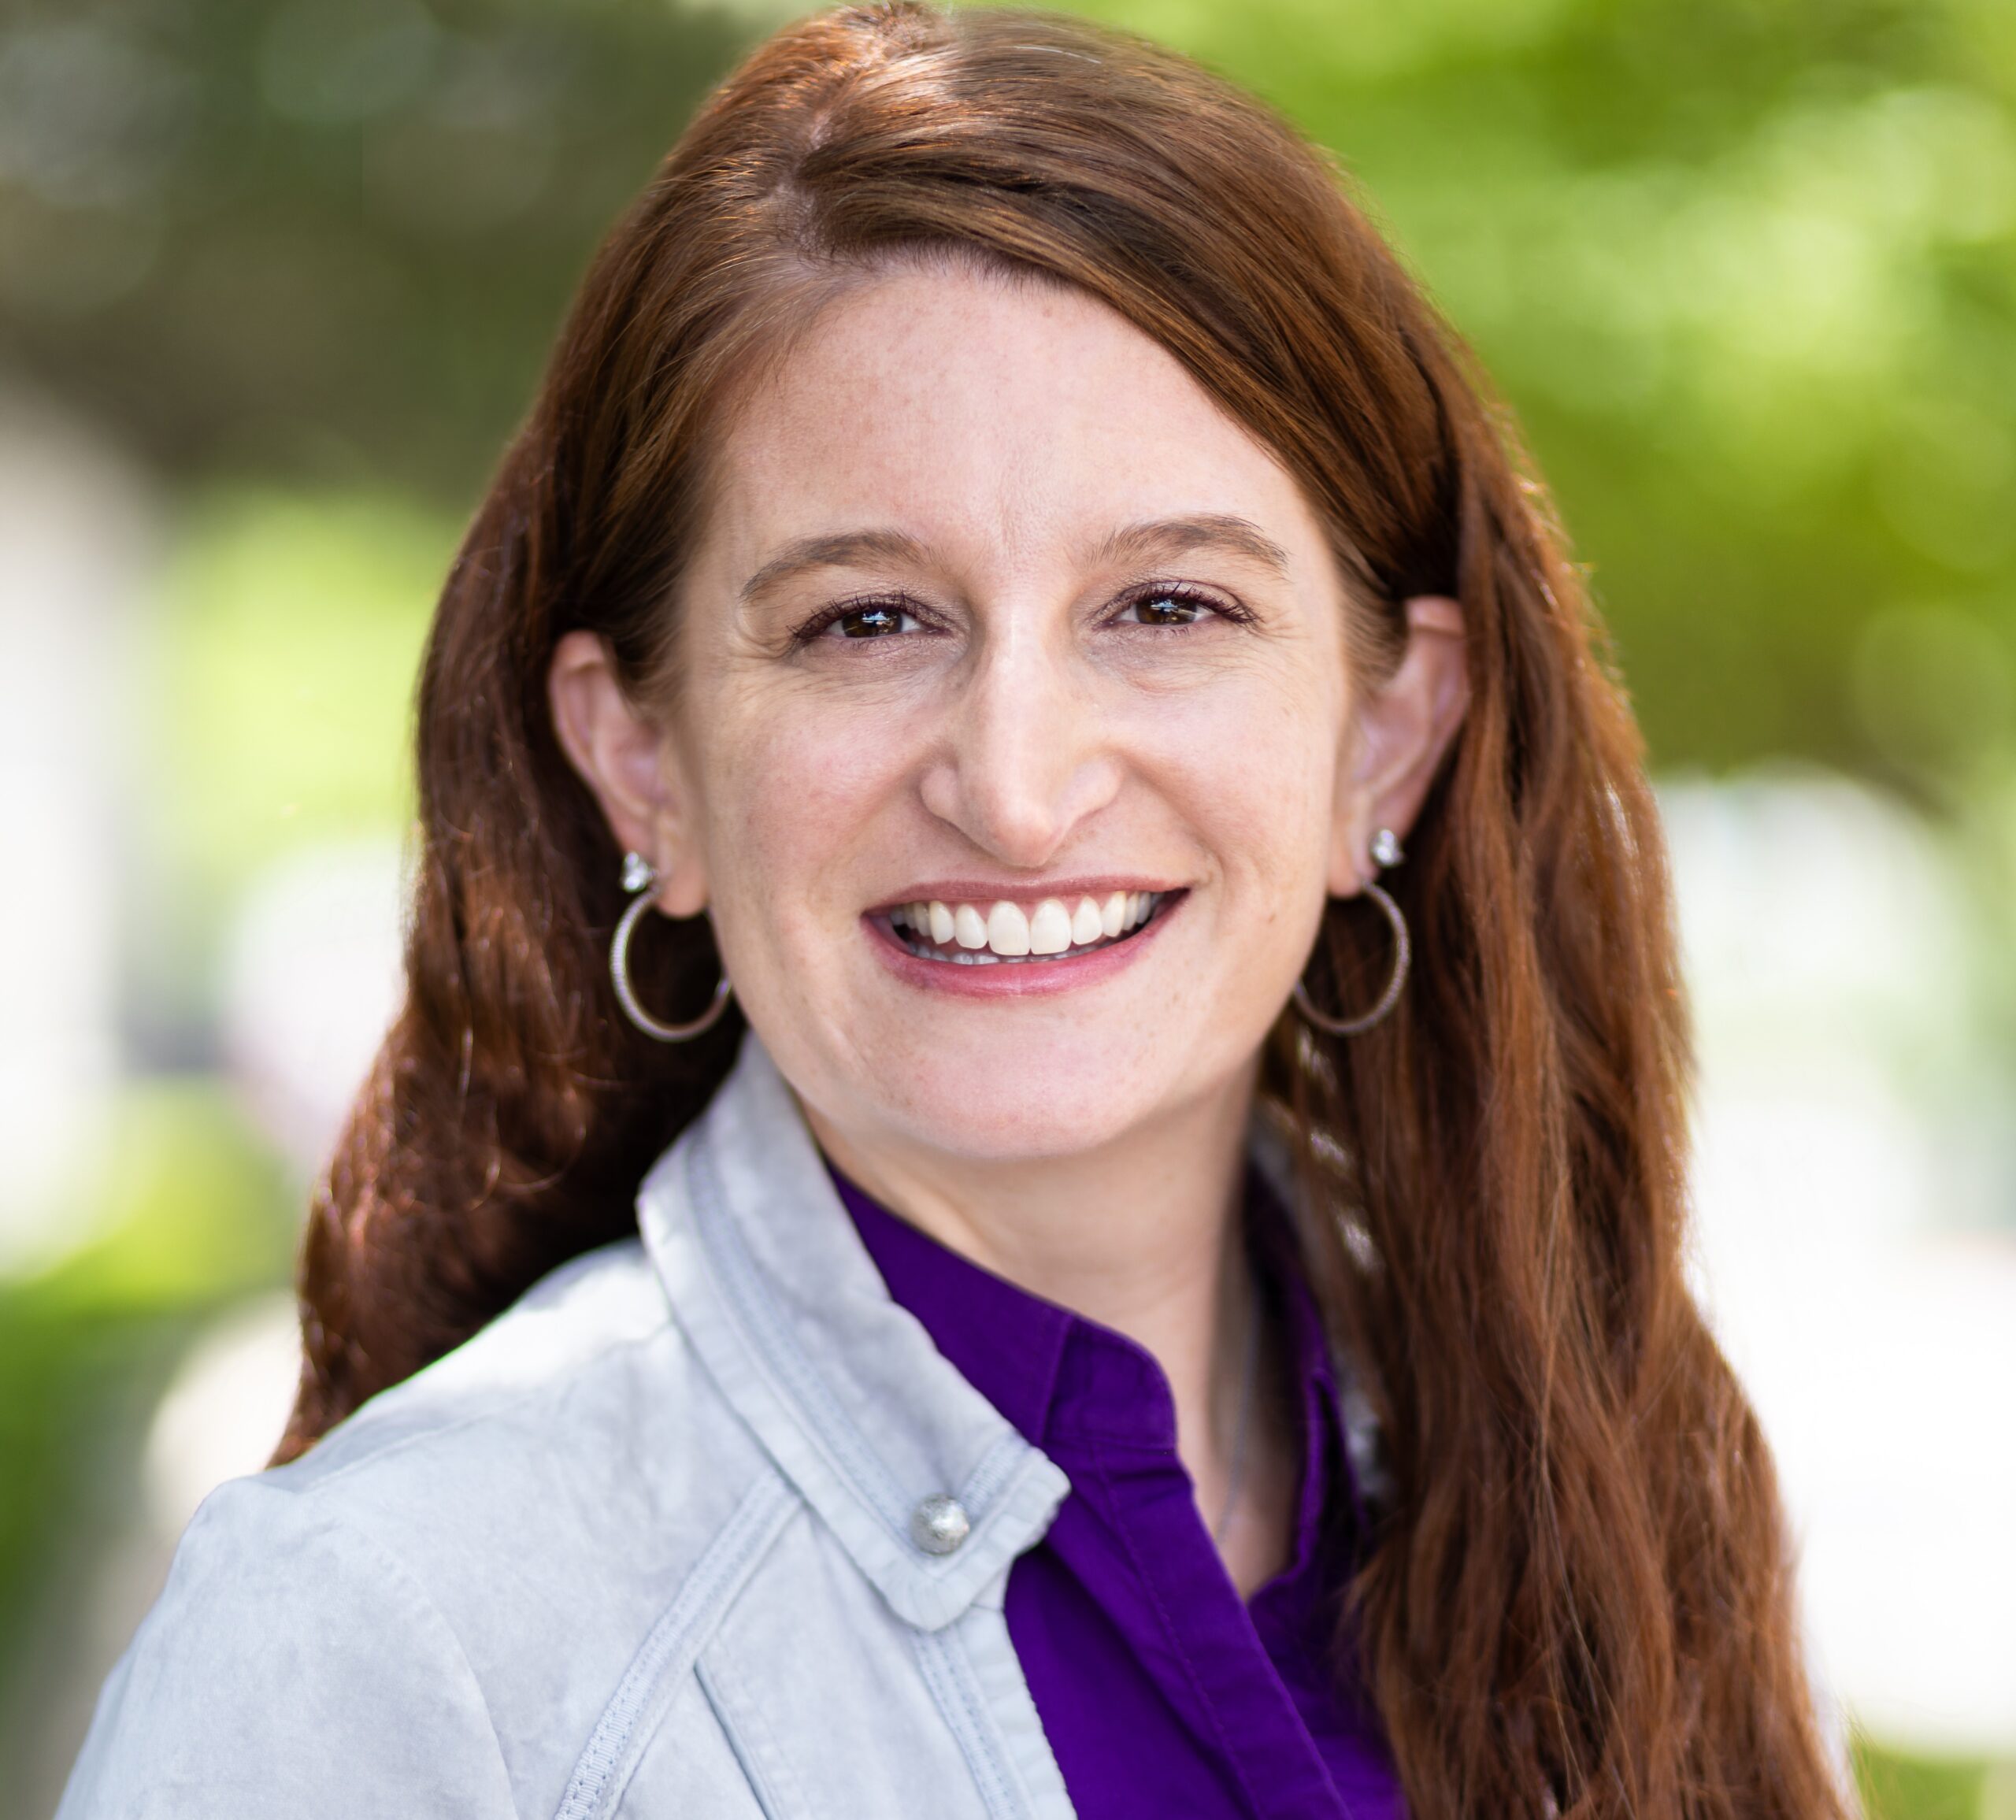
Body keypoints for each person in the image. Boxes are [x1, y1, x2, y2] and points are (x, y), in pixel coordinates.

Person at [58, 6, 1854, 1817]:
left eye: (1165, 607)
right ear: (643, 765)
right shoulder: (388, 1641)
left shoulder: (1637, 1502)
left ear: (1383, 739)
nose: (1012, 785)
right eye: (865, 620)